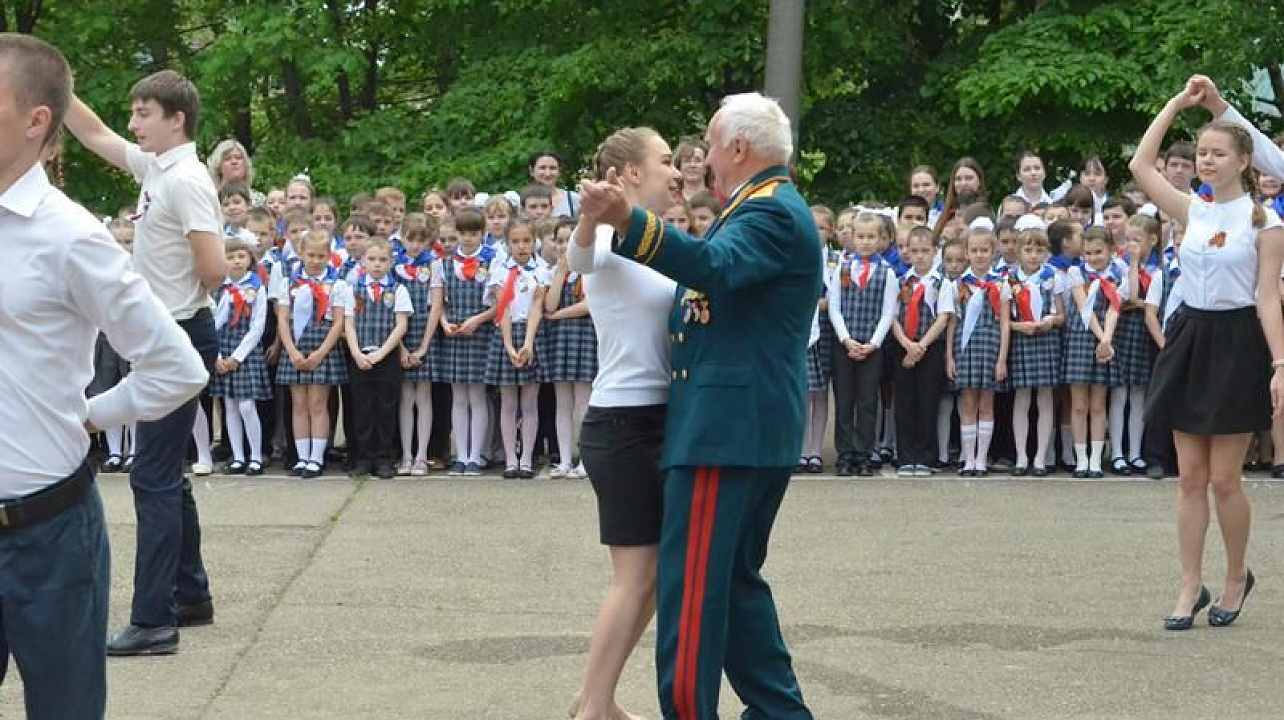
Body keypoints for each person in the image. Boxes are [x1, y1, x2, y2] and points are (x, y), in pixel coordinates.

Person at [579, 91, 815, 720]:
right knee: (733, 589)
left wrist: (633, 221)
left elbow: (712, 266)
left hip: (725, 430)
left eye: (708, 144)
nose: (699, 158)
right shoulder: (760, 207)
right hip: (731, 426)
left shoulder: (768, 211)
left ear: (738, 147)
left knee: (692, 595)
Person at [0, 33, 207, 715]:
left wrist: (92, 414)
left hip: (47, 537)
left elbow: (176, 367)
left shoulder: (69, 236)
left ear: (36, 122)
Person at [65, 67, 226, 655]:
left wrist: (164, 287)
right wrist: (54, 87)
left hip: (180, 333)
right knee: (166, 474)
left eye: (143, 114)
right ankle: (192, 594)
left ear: (175, 119)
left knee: (152, 478)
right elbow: (96, 133)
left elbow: (213, 269)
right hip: (166, 333)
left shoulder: (185, 179)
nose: (132, 124)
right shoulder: (157, 167)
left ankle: (155, 619)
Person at [1133, 76, 1284, 630]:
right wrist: (1176, 103)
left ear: (1244, 160)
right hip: (1190, 339)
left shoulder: (1266, 223)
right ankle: (1189, 583)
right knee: (1189, 477)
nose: (1207, 161)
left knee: (1226, 480)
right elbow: (1141, 166)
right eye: (1201, 153)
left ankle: (1236, 576)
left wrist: (1280, 366)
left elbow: (1268, 299)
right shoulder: (1191, 210)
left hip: (1238, 342)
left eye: (1219, 153)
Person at [566, 126, 679, 720]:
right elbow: (580, 256)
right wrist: (589, 216)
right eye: (665, 161)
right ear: (630, 174)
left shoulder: (663, 239)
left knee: (654, 580)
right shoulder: (610, 237)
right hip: (624, 425)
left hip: (657, 420)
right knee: (635, 578)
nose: (677, 170)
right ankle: (592, 711)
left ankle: (597, 699)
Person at [273, 232, 352, 478]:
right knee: (299, 405)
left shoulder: (337, 284)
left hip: (322, 346)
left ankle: (317, 458)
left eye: (321, 256)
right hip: (295, 347)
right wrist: (292, 351)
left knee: (318, 405)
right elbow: (283, 319)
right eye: (311, 255)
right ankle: (302, 457)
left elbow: (339, 322)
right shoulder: (289, 283)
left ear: (329, 256)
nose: (316, 260)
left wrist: (320, 353)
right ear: (301, 254)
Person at [828, 211, 899, 477]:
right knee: (844, 401)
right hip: (844, 344)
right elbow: (834, 307)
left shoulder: (887, 273)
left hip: (872, 347)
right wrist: (846, 339)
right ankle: (845, 454)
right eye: (861, 236)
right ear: (852, 238)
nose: (866, 242)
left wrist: (872, 343)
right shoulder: (842, 269)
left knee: (868, 402)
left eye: (871, 237)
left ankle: (864, 453)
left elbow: (887, 312)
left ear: (881, 239)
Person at [431, 207, 497, 476]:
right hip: (455, 333)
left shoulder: (494, 261)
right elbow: (438, 303)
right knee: (458, 396)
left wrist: (477, 320)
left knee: (478, 396)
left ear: (482, 234)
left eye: (474, 233)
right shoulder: (443, 264)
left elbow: (500, 303)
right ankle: (461, 453)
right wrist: (445, 324)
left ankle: (477, 455)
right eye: (463, 233)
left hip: (481, 332)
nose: (468, 238)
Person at [944, 225, 1011, 476]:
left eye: (985, 250)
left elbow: (1005, 323)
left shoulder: (1001, 284)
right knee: (968, 403)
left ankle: (982, 459)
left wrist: (1002, 358)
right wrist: (949, 356)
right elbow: (952, 322)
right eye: (975, 250)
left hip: (991, 348)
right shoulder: (957, 285)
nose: (980, 255)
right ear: (967, 253)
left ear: (993, 253)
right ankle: (968, 458)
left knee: (987, 404)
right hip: (965, 349)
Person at [484, 219, 548, 479]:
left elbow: (536, 308)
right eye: (516, 242)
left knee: (531, 402)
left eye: (526, 241)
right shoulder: (499, 270)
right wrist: (509, 345)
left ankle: (527, 460)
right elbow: (503, 308)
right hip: (506, 333)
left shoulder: (542, 270)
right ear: (508, 243)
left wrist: (528, 344)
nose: (521, 247)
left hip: (532, 334)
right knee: (508, 402)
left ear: (534, 242)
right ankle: (511, 459)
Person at [345, 236, 412, 478]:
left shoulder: (398, 289)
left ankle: (384, 458)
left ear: (391, 262)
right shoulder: (353, 290)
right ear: (362, 261)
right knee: (362, 408)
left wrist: (382, 353)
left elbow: (401, 325)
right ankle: (363, 458)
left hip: (386, 357)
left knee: (386, 407)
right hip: (359, 356)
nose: (377, 265)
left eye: (383, 260)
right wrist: (355, 352)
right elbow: (348, 324)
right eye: (371, 259)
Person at [1063, 227, 1125, 478]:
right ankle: (1081, 460)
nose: (1093, 257)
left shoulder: (1118, 273)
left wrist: (1107, 340)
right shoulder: (1076, 272)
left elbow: (1114, 309)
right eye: (1088, 252)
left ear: (1110, 249)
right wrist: (1102, 338)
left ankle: (1096, 460)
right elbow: (1082, 308)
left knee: (1099, 404)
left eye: (1098, 252)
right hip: (1081, 336)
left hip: (1106, 338)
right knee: (1079, 405)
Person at [890, 226, 953, 476]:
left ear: (934, 252)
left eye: (925, 251)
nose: (919, 256)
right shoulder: (901, 281)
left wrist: (921, 346)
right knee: (904, 401)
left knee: (928, 401)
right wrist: (907, 344)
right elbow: (892, 316)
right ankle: (905, 456)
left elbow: (943, 317)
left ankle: (926, 456)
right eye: (914, 251)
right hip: (904, 345)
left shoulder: (942, 282)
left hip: (929, 346)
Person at [1005, 217, 1065, 476]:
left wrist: (1051, 320)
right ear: (1019, 252)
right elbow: (1003, 319)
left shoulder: (1053, 277)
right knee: (1021, 398)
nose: (1033, 255)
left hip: (1046, 338)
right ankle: (1021, 456)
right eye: (1028, 250)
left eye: (1039, 250)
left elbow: (1062, 314)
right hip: (1021, 339)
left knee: (1045, 398)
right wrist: (1021, 327)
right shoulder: (1009, 278)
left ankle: (1040, 457)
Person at [211, 239, 272, 476]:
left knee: (247, 405)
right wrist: (217, 355)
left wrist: (237, 356)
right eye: (230, 256)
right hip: (222, 348)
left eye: (241, 257)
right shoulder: (218, 288)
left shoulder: (257, 287)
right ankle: (238, 457)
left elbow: (257, 326)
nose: (236, 261)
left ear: (249, 260)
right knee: (230, 406)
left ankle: (255, 456)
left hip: (246, 352)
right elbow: (211, 323)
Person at [544, 221, 596, 479]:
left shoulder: (590, 270)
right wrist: (559, 274)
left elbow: (589, 305)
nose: (564, 246)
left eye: (569, 240)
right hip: (560, 340)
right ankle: (564, 459)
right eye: (560, 240)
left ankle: (585, 459)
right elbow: (549, 305)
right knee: (562, 402)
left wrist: (557, 315)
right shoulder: (554, 272)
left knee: (583, 402)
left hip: (585, 337)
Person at [394, 214, 441, 476]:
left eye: (420, 240)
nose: (414, 245)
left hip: (424, 331)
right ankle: (406, 455)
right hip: (399, 333)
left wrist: (424, 346)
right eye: (410, 239)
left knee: (423, 397)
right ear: (402, 237)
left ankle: (422, 455)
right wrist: (400, 347)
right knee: (405, 397)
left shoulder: (433, 264)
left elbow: (436, 305)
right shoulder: (394, 264)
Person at [206, 138, 264, 205]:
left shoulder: (259, 200)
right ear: (218, 167)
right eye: (227, 159)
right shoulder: (210, 199)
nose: (234, 162)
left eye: (238, 158)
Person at [529, 150, 580, 218]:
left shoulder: (574, 200)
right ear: (532, 171)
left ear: (559, 171)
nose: (547, 173)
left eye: (552, 168)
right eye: (542, 168)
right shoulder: (520, 201)